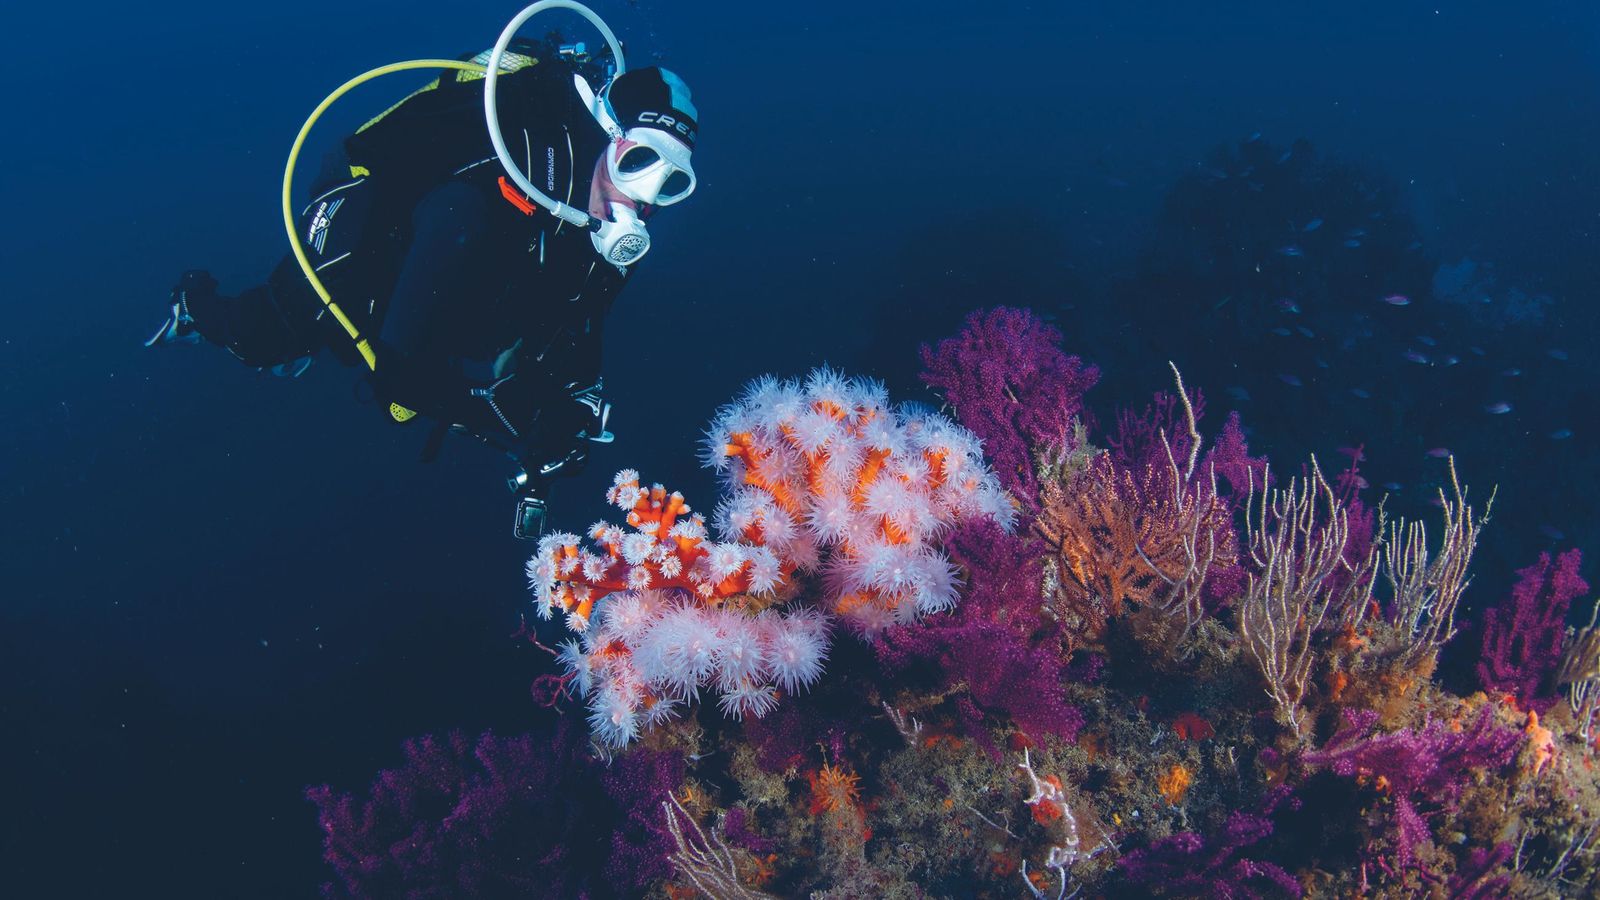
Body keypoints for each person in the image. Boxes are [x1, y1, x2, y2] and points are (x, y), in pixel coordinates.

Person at [147, 40, 698, 537]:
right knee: (267, 336)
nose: (643, 199)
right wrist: (515, 433)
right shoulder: (494, 179)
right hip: (378, 248)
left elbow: (580, 323)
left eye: (672, 183)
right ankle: (194, 307)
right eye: (639, 162)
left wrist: (571, 409)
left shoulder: (615, 234)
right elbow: (399, 379)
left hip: (468, 285)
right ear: (605, 133)